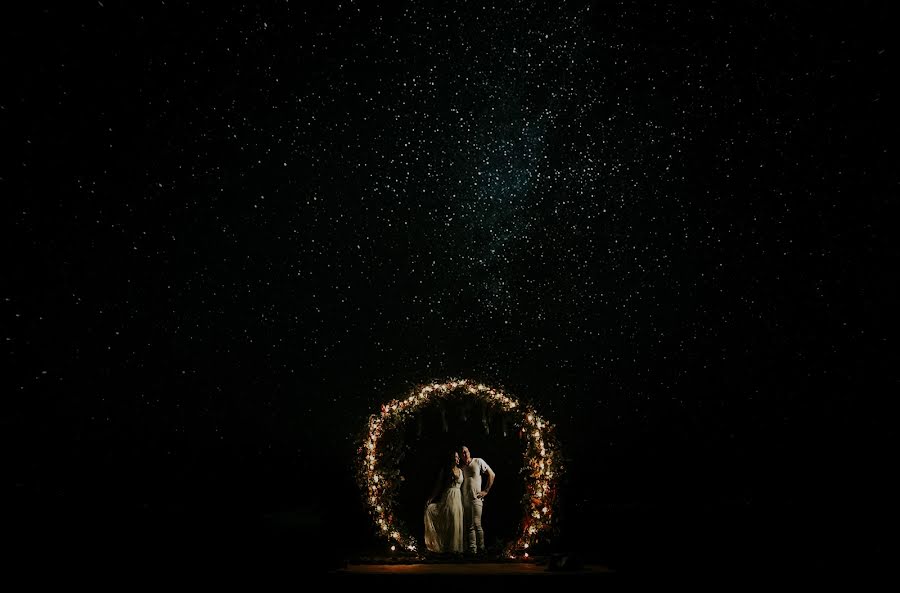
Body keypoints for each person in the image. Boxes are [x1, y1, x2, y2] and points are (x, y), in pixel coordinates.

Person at [423, 449, 464, 554]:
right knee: (449, 521)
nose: (458, 458)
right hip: (449, 496)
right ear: (451, 458)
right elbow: (438, 486)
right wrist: (431, 498)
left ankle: (456, 549)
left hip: (458, 497)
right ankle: (448, 548)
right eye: (456, 457)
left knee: (456, 521)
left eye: (458, 457)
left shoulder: (461, 470)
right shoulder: (445, 470)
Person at [459, 444, 495, 555]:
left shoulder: (478, 461)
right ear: (460, 456)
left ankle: (481, 549)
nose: (465, 454)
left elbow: (492, 474)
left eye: (466, 451)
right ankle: (472, 550)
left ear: (469, 452)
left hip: (476, 498)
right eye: (462, 453)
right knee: (469, 525)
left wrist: (486, 491)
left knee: (477, 524)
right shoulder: (462, 468)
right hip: (465, 499)